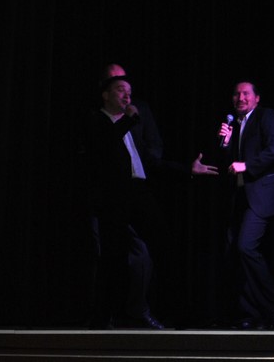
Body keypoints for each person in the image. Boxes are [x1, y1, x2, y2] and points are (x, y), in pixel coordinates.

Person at [83, 67, 217, 330]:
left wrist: (187, 170)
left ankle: (180, 312)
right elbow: (104, 145)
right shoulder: (97, 120)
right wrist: (129, 120)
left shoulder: (130, 127)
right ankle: (103, 317)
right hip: (113, 195)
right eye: (120, 90)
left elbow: (151, 162)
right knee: (112, 257)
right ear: (105, 95)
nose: (127, 96)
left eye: (129, 92)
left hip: (138, 191)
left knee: (164, 246)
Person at [217, 80, 274, 329]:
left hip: (263, 195)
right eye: (236, 94)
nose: (240, 98)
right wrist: (226, 144)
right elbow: (232, 165)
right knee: (235, 252)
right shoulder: (236, 124)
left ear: (257, 98)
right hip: (240, 196)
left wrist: (247, 165)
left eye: (246, 94)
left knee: (246, 246)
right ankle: (251, 314)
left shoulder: (265, 116)